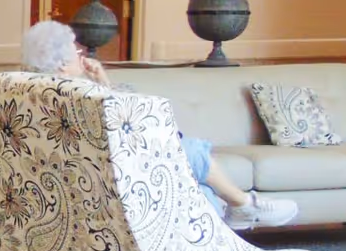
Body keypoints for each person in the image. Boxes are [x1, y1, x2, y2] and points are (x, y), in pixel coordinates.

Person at [18, 20, 297, 230]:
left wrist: (101, 80)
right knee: (185, 149)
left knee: (200, 191)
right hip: (114, 170)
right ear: (63, 64)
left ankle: (233, 224)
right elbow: (126, 119)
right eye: (76, 51)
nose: (82, 55)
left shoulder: (34, 91)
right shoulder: (79, 93)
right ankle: (243, 203)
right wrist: (101, 82)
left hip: (91, 170)